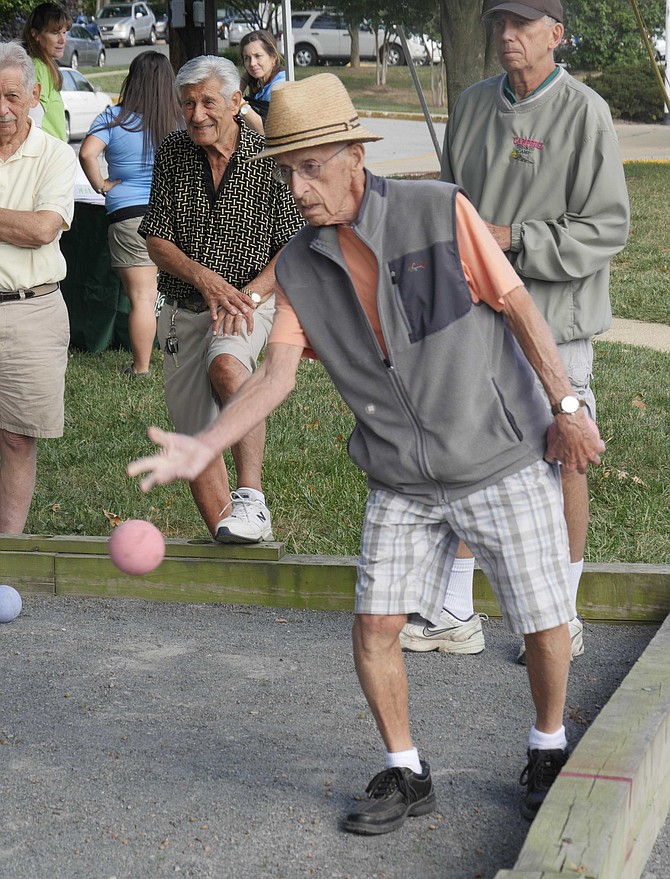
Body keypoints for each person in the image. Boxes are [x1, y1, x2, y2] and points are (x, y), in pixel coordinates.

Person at [128, 73, 607, 827]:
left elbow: (517, 306)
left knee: (545, 619)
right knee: (374, 625)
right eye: (285, 170)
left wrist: (567, 404)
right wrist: (203, 446)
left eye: (312, 166)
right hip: (400, 474)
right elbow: (276, 371)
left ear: (355, 153)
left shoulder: (439, 211)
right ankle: (406, 772)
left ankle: (548, 742)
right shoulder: (299, 263)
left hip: (495, 455)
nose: (299, 187)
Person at [400, 0, 630, 663]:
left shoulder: (584, 112)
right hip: (472, 318)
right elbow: (451, 204)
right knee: (464, 453)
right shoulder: (472, 105)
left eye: (523, 25)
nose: (506, 35)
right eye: (498, 23)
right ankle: (452, 611)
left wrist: (510, 241)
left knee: (564, 454)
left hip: (556, 323)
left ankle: (562, 612)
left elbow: (607, 228)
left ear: (555, 34)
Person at [137, 56, 303, 543]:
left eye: (208, 102)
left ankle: (251, 497)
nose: (196, 114)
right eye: (187, 103)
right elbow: (157, 238)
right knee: (194, 441)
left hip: (251, 298)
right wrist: (204, 279)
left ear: (236, 102)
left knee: (227, 367)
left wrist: (247, 297)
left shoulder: (268, 156)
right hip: (185, 307)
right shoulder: (172, 152)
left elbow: (294, 245)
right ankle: (235, 541)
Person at [0, 41, 76, 534]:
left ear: (32, 96)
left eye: (10, 95)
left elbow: (42, 230)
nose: (0, 108)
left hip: (29, 312)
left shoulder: (55, 155)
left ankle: (7, 554)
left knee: (16, 439)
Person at [79, 52, 183, 378]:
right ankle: (184, 362)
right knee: (180, 296)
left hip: (128, 214)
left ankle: (140, 369)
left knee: (141, 297)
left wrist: (102, 184)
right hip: (172, 214)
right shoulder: (180, 120)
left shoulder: (113, 118)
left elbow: (87, 153)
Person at [22, 2, 71, 141]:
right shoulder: (39, 68)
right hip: (47, 158)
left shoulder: (45, 66)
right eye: (55, 33)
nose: (62, 40)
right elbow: (33, 124)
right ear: (35, 34)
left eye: (64, 32)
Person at [238, 29, 286, 135]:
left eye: (258, 56)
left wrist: (240, 103)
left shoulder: (279, 87)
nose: (252, 63)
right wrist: (245, 79)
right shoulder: (262, 85)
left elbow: (266, 131)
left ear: (273, 58)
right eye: (247, 58)